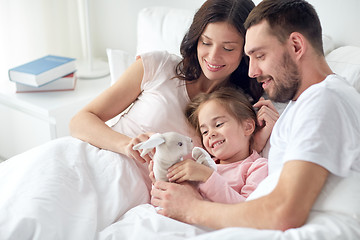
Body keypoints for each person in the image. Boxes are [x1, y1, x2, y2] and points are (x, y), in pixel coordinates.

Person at [0, 0, 279, 239]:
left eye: (228, 48)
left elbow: (228, 171)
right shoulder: (159, 66)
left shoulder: (238, 107)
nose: (213, 56)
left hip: (128, 200)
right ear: (196, 38)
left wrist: (256, 140)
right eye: (206, 43)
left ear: (245, 50)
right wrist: (126, 145)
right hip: (88, 161)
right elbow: (81, 120)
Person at [150, 0, 360, 237]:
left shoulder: (323, 100)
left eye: (260, 55)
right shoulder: (308, 104)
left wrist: (191, 209)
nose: (252, 72)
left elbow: (284, 212)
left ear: (296, 46)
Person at [165, 87, 268, 203]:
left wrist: (207, 177)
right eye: (205, 132)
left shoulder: (257, 167)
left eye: (218, 124)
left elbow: (247, 209)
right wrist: (161, 177)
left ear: (247, 127)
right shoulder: (200, 164)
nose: (210, 134)